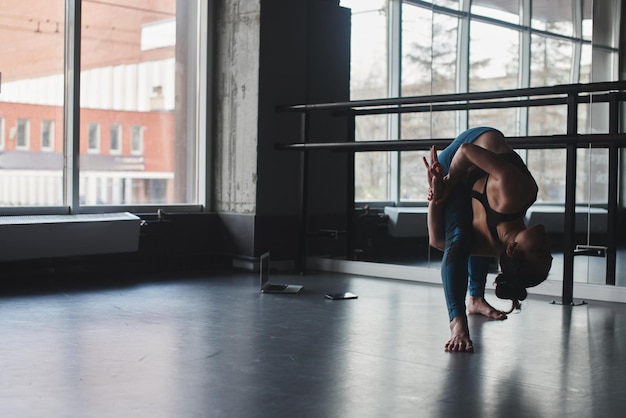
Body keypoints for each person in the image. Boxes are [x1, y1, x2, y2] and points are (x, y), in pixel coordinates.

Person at [423, 127, 553, 352]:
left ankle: (460, 318)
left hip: (465, 184)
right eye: (548, 252)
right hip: (466, 151)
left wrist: (437, 197)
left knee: (461, 240)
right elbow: (464, 152)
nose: (547, 244)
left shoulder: (489, 245)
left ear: (512, 249)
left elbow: (437, 241)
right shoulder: (520, 191)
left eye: (540, 251)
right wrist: (448, 184)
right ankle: (473, 300)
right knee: (464, 241)